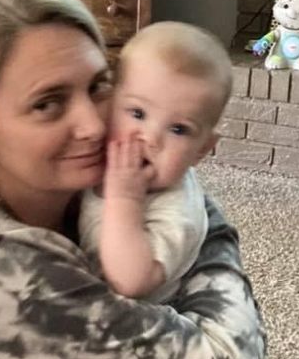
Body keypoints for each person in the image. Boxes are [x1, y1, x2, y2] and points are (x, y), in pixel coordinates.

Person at [0, 0, 266, 359]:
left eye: (97, 86)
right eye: (47, 104)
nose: (93, 125)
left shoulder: (75, 197)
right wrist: (210, 229)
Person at [79, 21, 232, 303]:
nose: (150, 138)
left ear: (201, 150)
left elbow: (131, 282)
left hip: (128, 322)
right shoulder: (100, 161)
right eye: (137, 113)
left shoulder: (177, 209)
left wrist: (124, 198)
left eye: (178, 129)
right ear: (110, 102)